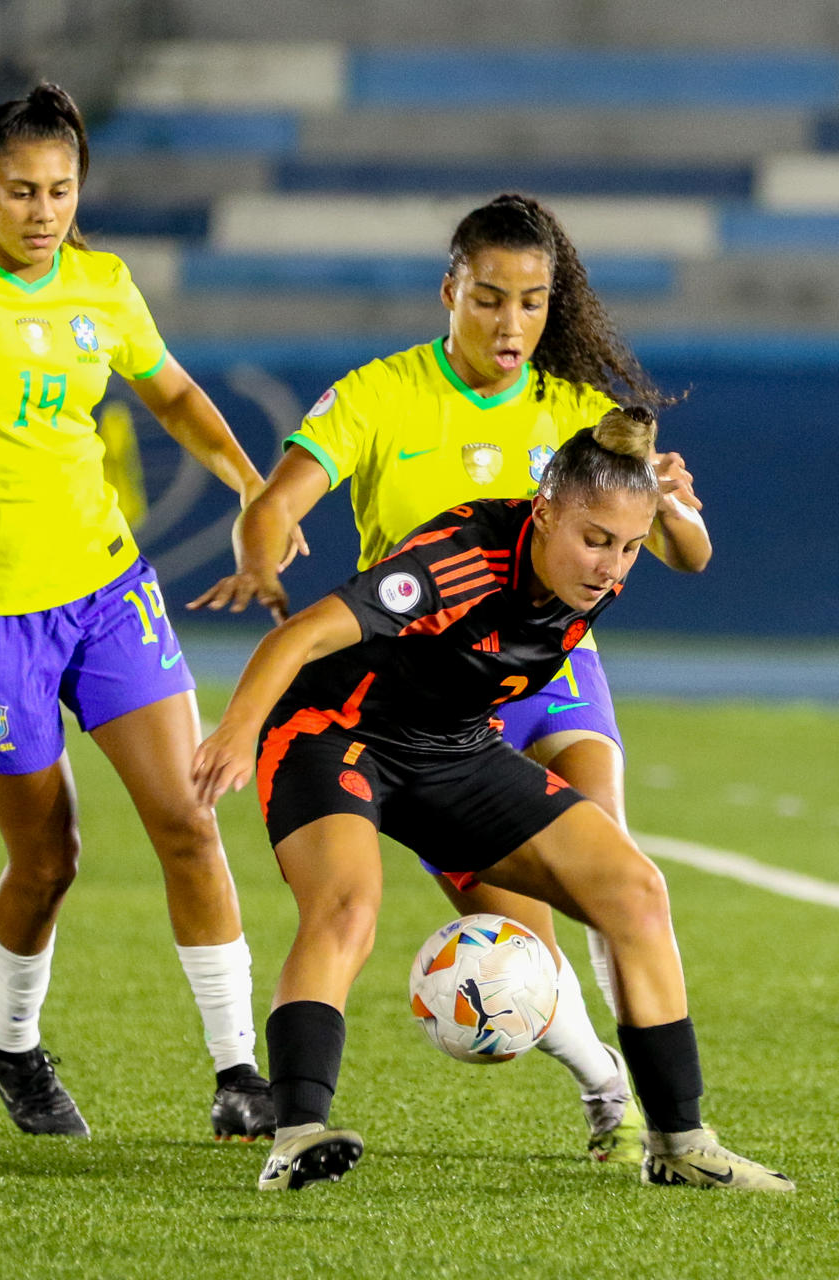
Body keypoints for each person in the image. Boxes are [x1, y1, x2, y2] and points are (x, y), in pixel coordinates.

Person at [0, 84, 298, 1140]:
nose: (43, 211)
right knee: (49, 857)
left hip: (106, 593)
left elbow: (170, 394)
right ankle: (11, 1041)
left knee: (187, 816)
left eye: (62, 191)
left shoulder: (104, 287)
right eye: (21, 190)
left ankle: (237, 1068)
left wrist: (252, 485)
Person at [190, 193, 711, 1164]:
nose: (511, 324)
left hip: (527, 681)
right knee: (453, 925)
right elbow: (277, 508)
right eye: (490, 299)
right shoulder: (384, 397)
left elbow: (680, 543)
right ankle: (582, 1077)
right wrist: (262, 556)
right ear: (451, 293)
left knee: (613, 869)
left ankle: (660, 1115)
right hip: (387, 679)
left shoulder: (578, 416)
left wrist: (668, 509)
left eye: (532, 302)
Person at [194, 409, 791, 1194]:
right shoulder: (458, 560)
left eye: (629, 547)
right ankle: (298, 1133)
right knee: (346, 906)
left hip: (455, 749)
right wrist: (237, 731)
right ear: (543, 511)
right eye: (595, 539)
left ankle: (679, 1143)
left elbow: (695, 555)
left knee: (637, 892)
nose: (611, 567)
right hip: (333, 735)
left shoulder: (607, 549)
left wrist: (666, 504)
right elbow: (299, 636)